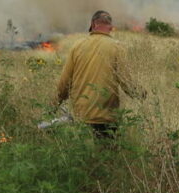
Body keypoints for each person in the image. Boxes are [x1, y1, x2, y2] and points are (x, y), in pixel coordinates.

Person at [55, 10, 136, 139]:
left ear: (93, 24)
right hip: (107, 117)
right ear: (110, 27)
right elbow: (127, 83)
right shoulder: (117, 48)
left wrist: (53, 105)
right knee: (107, 155)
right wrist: (141, 94)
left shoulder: (77, 46)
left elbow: (65, 82)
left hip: (81, 116)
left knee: (83, 156)